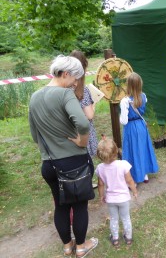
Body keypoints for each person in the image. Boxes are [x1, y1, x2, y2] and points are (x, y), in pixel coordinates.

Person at [28, 55, 98, 257]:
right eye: (75, 78)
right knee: (79, 206)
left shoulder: (34, 97)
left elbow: (35, 136)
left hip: (48, 165)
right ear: (65, 74)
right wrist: (83, 141)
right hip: (73, 163)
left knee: (60, 205)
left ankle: (67, 247)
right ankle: (82, 246)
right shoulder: (65, 94)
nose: (76, 82)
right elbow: (84, 123)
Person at [96, 138, 138, 247]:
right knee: (125, 218)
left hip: (111, 199)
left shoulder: (100, 168)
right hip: (123, 199)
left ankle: (115, 239)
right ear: (116, 151)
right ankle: (128, 237)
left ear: (100, 155)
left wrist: (101, 196)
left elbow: (100, 184)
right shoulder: (123, 164)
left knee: (114, 218)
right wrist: (134, 191)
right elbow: (129, 180)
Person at [119, 72, 159, 183]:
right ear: (140, 84)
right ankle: (144, 175)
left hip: (131, 128)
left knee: (132, 151)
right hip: (141, 126)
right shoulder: (143, 96)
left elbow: (124, 120)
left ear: (128, 85)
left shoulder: (125, 101)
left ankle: (134, 178)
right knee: (142, 149)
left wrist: (120, 117)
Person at [70, 50, 98, 158]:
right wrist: (94, 104)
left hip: (70, 132)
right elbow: (89, 115)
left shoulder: (64, 87)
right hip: (82, 134)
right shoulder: (83, 90)